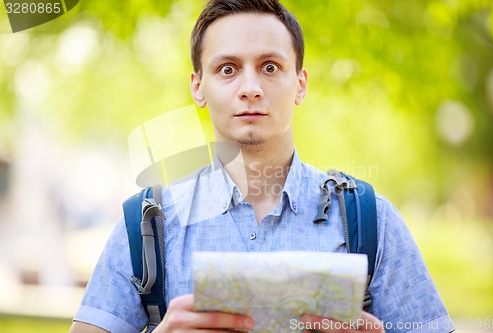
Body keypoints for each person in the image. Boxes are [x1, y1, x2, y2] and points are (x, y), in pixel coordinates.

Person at [69, 0, 455, 332]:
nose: (250, 87)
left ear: (300, 84)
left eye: (270, 67)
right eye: (227, 69)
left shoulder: (370, 219)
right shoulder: (147, 225)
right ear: (198, 87)